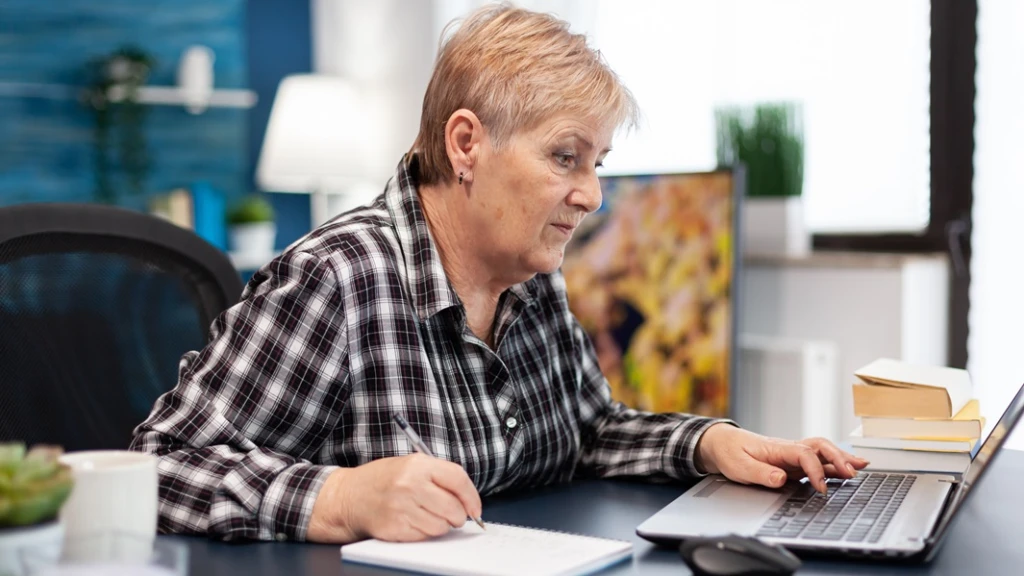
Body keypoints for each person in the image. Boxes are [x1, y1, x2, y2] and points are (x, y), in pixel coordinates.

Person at [130, 4, 866, 545]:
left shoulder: (531, 277)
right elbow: (154, 471)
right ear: (466, 145)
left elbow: (587, 433)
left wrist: (710, 445)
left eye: (597, 163)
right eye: (565, 157)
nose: (591, 194)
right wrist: (341, 496)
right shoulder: (339, 279)